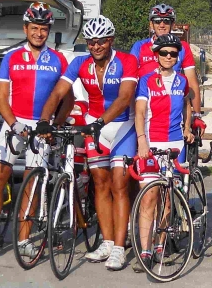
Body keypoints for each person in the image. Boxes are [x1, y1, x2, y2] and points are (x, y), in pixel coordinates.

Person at [40, 15, 139, 272]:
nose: (95, 46)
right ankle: (107, 241)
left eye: (101, 42)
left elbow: (126, 97)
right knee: (99, 184)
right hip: (96, 127)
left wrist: (100, 121)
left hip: (121, 126)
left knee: (119, 183)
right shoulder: (80, 64)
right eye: (91, 42)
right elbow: (59, 92)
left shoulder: (127, 61)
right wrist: (44, 120)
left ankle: (120, 247)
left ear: (111, 41)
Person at [0, 3, 69, 263]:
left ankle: (24, 239)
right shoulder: (13, 57)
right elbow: (1, 97)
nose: (39, 33)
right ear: (25, 28)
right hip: (13, 123)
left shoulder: (59, 59)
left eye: (44, 29)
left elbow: (67, 99)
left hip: (42, 127)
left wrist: (54, 126)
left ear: (49, 31)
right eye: (34, 28)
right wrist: (14, 124)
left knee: (32, 183)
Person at [132, 33, 195, 270]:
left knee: (168, 200)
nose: (169, 57)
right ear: (156, 55)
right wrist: (142, 141)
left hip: (175, 145)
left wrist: (188, 128)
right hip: (152, 144)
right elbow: (140, 113)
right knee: (149, 198)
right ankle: (145, 251)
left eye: (173, 53)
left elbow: (188, 103)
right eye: (164, 53)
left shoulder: (182, 81)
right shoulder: (146, 80)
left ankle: (160, 246)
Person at [130, 3, 204, 134]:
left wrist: (197, 115)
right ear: (151, 24)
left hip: (171, 110)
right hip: (144, 106)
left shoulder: (183, 47)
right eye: (157, 21)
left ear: (173, 24)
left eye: (166, 21)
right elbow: (129, 81)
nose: (162, 25)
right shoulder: (139, 46)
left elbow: (192, 83)